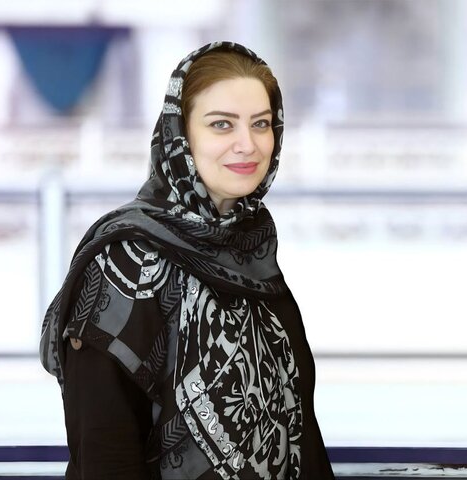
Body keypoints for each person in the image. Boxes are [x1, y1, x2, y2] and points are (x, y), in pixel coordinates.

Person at [39, 41, 336, 479]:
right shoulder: (126, 264)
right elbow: (106, 455)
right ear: (180, 135)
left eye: (260, 124)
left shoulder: (251, 250)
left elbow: (301, 431)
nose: (248, 144)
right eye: (221, 125)